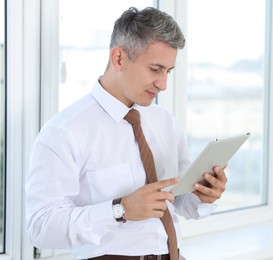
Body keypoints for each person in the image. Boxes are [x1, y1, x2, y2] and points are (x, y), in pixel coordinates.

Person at [25, 6, 227, 260]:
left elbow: (178, 202)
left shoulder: (164, 122)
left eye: (168, 72)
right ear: (118, 58)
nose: (163, 84)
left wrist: (202, 194)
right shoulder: (64, 132)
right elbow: (40, 227)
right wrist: (119, 210)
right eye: (155, 69)